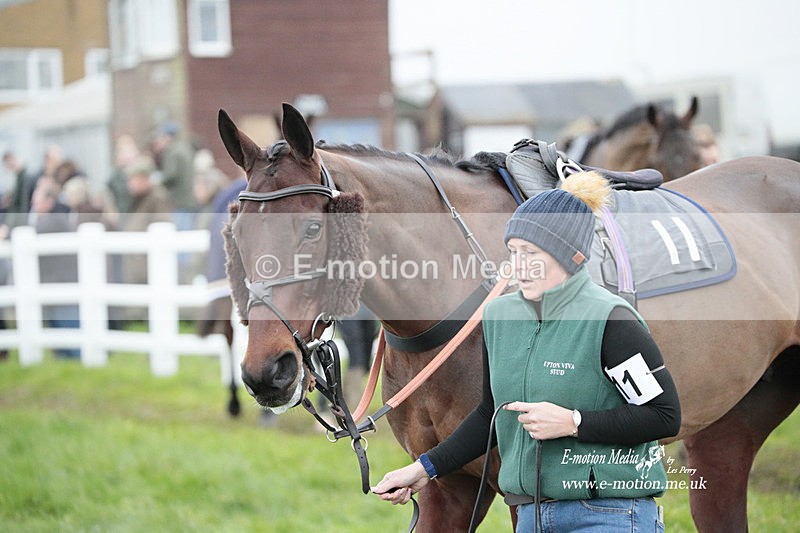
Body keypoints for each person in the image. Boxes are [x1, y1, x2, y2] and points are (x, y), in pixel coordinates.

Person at [372, 171, 681, 532]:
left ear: (572, 257)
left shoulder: (612, 320)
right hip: (531, 517)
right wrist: (424, 469)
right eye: (514, 252)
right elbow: (490, 414)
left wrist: (574, 422)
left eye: (532, 253)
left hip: (608, 514)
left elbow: (663, 415)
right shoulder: (498, 316)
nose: (519, 266)